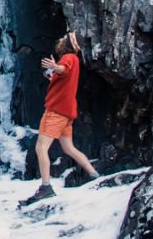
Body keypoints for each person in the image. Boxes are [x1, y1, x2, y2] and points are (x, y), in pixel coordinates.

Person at [21, 30, 98, 206]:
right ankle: (94, 175)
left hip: (56, 112)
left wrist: (56, 68)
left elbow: (64, 69)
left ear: (70, 44)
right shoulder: (74, 61)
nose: (61, 39)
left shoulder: (69, 58)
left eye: (65, 38)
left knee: (41, 148)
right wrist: (52, 71)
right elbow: (62, 76)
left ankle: (46, 187)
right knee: (69, 148)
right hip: (67, 113)